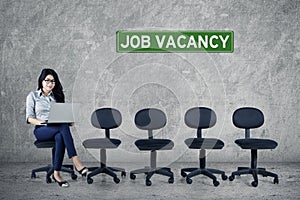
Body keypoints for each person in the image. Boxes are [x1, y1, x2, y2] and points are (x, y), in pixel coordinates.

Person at [26, 68, 88, 187]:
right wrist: (44, 122)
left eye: (53, 81)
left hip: (58, 127)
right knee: (62, 126)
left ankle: (56, 174)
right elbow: (29, 118)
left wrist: (70, 121)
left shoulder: (57, 96)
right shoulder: (33, 96)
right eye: (47, 80)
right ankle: (75, 160)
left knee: (60, 134)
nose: (50, 83)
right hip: (41, 129)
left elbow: (62, 116)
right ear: (41, 81)